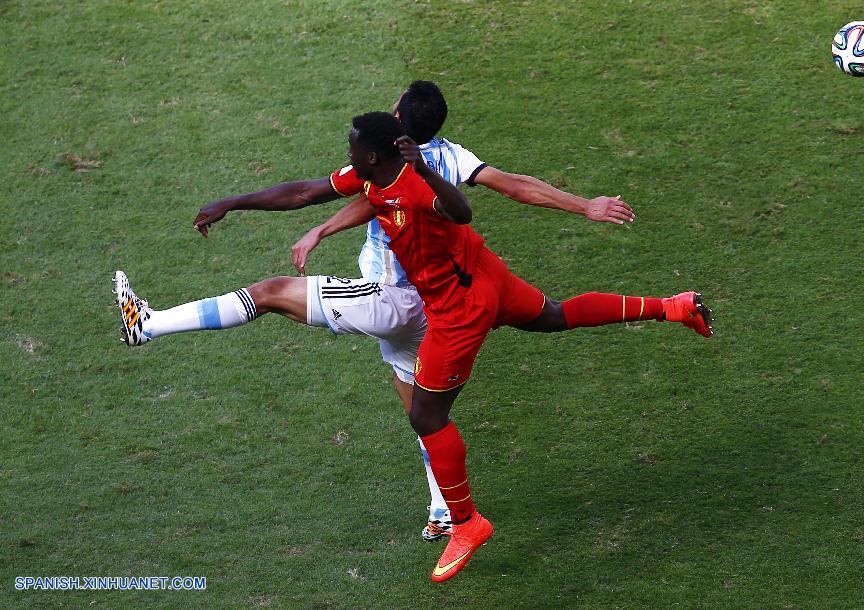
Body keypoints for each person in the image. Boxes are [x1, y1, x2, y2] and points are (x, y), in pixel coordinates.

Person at [114, 81, 637, 543]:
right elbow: (514, 185)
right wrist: (584, 205)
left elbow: (316, 193)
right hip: (437, 310)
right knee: (426, 414)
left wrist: (242, 203)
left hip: (391, 298)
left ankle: (149, 324)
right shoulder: (449, 159)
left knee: (270, 293)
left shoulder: (384, 167)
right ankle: (443, 511)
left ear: (396, 122)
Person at [315, 111, 713, 582]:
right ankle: (673, 307)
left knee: (426, 415)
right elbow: (316, 193)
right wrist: (242, 205)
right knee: (555, 314)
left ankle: (464, 522)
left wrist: (411, 177)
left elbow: (451, 208)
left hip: (452, 308)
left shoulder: (413, 177)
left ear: (384, 144)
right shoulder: (420, 164)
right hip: (485, 273)